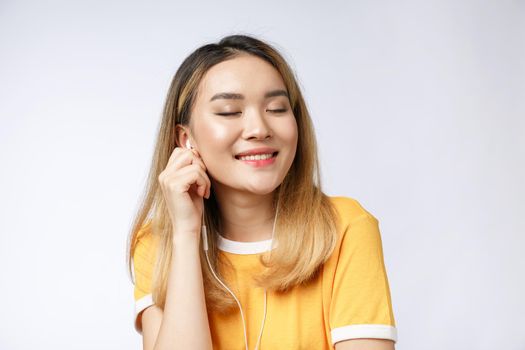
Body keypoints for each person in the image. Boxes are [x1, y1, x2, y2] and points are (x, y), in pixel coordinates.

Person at [126, 34, 397, 350]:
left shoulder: (345, 227)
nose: (259, 128)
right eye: (230, 111)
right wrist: (186, 234)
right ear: (186, 138)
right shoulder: (158, 243)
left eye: (277, 108)